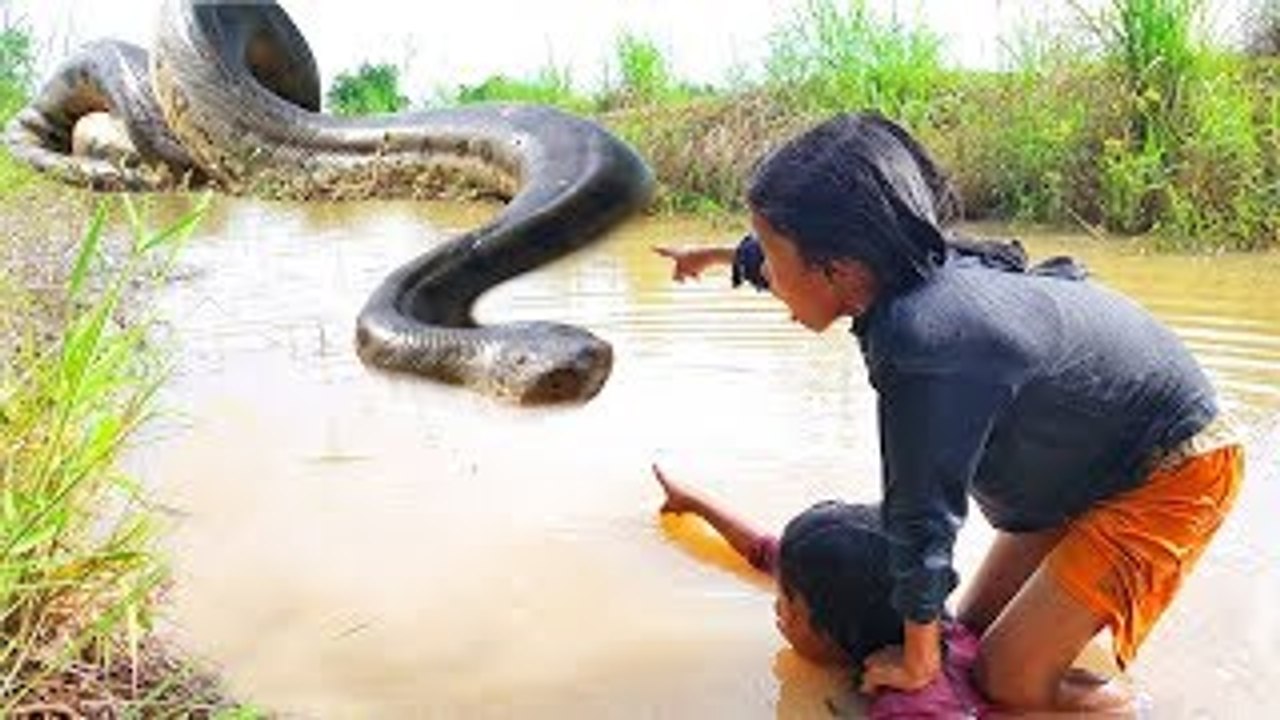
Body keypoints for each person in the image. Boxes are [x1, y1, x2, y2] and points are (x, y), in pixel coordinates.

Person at [652, 112, 1243, 713]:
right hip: (1090, 459)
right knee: (968, 631)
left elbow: (921, 513)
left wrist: (916, 662)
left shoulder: (923, 341)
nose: (768, 276)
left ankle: (1130, 706)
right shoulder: (900, 270)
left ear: (841, 268)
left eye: (771, 257)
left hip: (1172, 464)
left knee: (1006, 678)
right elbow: (797, 264)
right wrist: (720, 257)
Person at [652, 464, 988, 718]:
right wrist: (695, 504)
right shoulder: (912, 618)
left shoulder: (907, 703)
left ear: (833, 632)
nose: (777, 608)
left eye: (787, 601)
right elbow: (767, 552)